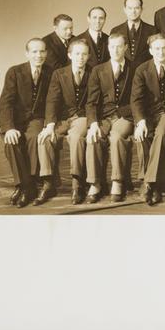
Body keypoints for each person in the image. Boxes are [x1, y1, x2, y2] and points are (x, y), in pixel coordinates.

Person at [0, 38, 53, 207]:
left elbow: (52, 101)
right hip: (15, 119)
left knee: (35, 137)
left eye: (42, 51)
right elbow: (6, 102)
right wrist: (9, 128)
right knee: (12, 142)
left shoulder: (51, 72)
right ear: (27, 54)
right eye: (34, 51)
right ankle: (24, 186)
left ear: (46, 53)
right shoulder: (15, 72)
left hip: (36, 118)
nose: (39, 55)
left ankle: (27, 185)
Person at [37, 39, 92, 205]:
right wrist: (50, 126)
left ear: (88, 56)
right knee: (45, 137)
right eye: (77, 53)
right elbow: (52, 100)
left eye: (84, 54)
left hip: (82, 117)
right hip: (63, 119)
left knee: (76, 137)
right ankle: (48, 182)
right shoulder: (59, 74)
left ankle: (77, 183)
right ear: (69, 55)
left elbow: (94, 101)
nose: (80, 57)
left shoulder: (94, 72)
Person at [85, 33, 136, 203]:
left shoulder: (134, 68)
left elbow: (138, 99)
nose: (116, 50)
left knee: (117, 138)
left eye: (119, 46)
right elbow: (91, 102)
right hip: (104, 117)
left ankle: (117, 182)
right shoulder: (98, 70)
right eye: (112, 46)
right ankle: (95, 183)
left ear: (126, 47)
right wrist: (93, 123)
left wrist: (127, 113)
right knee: (94, 137)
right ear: (108, 48)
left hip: (125, 116)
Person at [131, 34, 165, 206]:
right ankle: (157, 186)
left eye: (164, 48)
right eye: (157, 48)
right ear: (150, 51)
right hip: (149, 114)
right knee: (142, 135)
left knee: (161, 134)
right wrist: (140, 121)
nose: (161, 52)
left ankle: (148, 182)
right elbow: (136, 99)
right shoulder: (142, 70)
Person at [110, 0, 158, 68]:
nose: (133, 11)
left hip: (145, 71)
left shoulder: (152, 30)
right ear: (125, 9)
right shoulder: (115, 31)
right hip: (123, 71)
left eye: (137, 8)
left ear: (141, 9)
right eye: (130, 8)